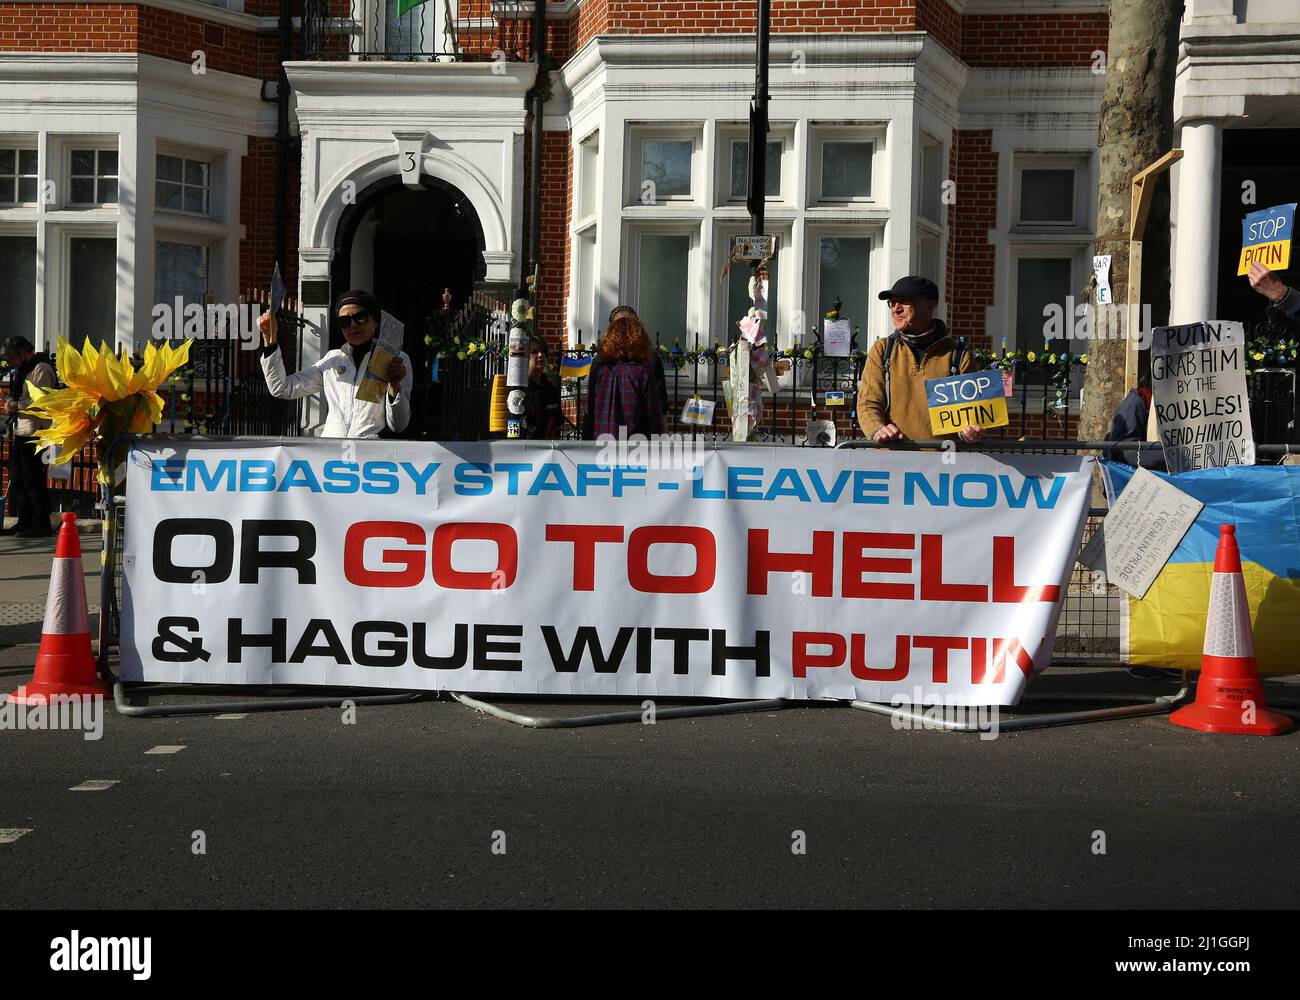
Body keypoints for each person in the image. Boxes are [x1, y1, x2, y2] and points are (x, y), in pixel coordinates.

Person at [259, 289, 412, 438]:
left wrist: (394, 387)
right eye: (344, 321)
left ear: (375, 321)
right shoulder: (332, 360)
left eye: (360, 317)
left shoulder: (395, 359)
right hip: (331, 453)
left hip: (368, 454)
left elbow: (399, 425)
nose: (352, 325)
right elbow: (282, 388)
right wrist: (269, 341)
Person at [856, 275, 982, 444]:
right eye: (892, 303)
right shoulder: (882, 349)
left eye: (904, 301)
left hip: (943, 463)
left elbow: (972, 413)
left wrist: (969, 431)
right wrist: (877, 428)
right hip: (889, 461)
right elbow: (868, 403)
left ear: (930, 305)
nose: (896, 309)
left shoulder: (958, 354)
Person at [2, 336, 56, 537]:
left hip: (35, 431)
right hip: (22, 429)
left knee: (33, 479)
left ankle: (41, 522)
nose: (12, 364)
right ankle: (24, 520)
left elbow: (40, 401)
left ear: (23, 353)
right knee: (18, 478)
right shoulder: (25, 370)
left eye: (13, 359)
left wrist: (15, 405)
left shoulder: (41, 369)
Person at [581, 313, 666, 440]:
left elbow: (590, 408)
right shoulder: (642, 373)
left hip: (602, 440)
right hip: (634, 444)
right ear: (639, 340)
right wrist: (658, 440)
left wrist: (586, 438)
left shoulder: (600, 368)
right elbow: (653, 415)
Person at [607, 305, 668, 418]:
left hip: (615, 426)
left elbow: (659, 404)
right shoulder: (603, 361)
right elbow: (660, 405)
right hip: (627, 427)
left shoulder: (602, 361)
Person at [522, 335, 562, 439]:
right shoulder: (519, 389)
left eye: (543, 351)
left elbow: (557, 423)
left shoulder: (551, 390)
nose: (540, 355)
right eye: (534, 352)